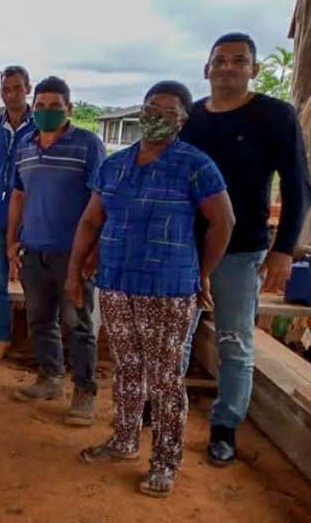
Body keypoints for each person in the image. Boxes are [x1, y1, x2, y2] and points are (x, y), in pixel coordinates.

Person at [66, 81, 235, 498]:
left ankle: (165, 461)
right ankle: (124, 440)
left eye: (168, 111)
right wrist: (73, 272)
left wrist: (201, 273)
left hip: (169, 288)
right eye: (150, 108)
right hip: (116, 282)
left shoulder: (195, 165)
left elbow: (223, 222)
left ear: (183, 119)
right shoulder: (115, 165)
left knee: (165, 378)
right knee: (126, 367)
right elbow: (91, 220)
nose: (155, 116)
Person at [179, 33, 310, 466]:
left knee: (234, 340)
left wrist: (283, 249)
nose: (228, 67)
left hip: (241, 250)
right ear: (206, 69)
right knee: (175, 335)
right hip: (185, 249)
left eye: (239, 60)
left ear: (253, 69)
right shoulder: (192, 119)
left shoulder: (274, 115)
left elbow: (297, 185)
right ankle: (161, 405)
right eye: (220, 60)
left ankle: (225, 426)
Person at [8, 76, 104, 425]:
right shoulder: (25, 145)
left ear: (69, 109)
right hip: (34, 249)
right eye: (41, 106)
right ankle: (50, 378)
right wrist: (11, 240)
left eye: (55, 106)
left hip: (72, 254)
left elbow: (101, 200)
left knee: (78, 323)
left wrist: (94, 250)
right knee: (40, 320)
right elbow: (18, 195)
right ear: (33, 108)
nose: (46, 111)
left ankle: (84, 392)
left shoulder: (87, 145)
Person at [0, 65, 35, 362]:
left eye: (17, 88)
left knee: (34, 282)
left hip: (31, 216)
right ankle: (1, 338)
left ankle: (37, 343)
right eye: (6, 89)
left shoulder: (39, 126)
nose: (11, 95)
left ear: (28, 89)